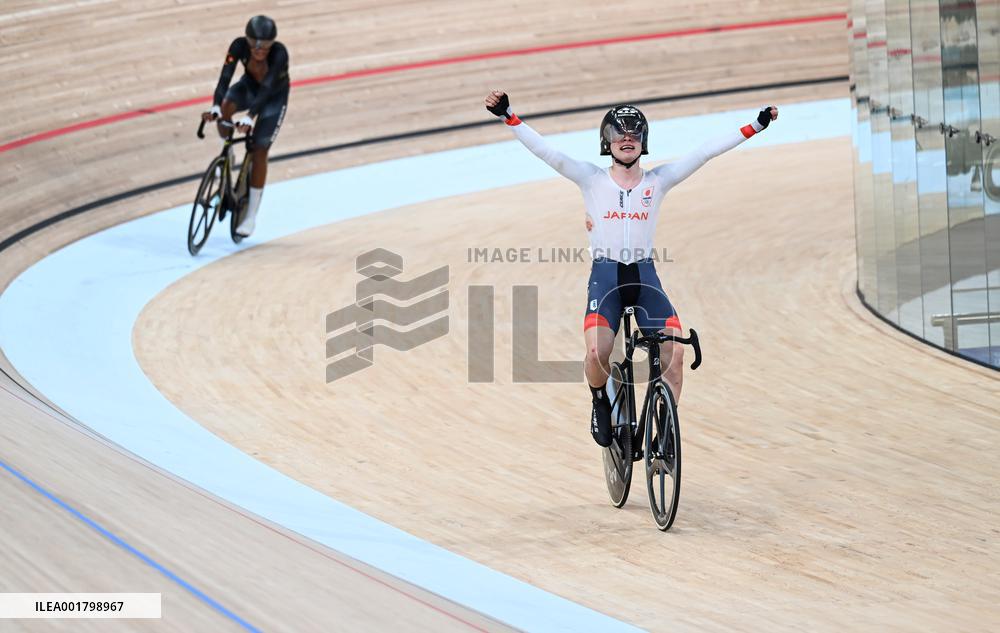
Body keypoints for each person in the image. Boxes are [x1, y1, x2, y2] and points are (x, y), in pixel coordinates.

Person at [484, 90, 777, 447]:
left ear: (644, 141)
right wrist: (509, 116)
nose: (627, 139)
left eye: (634, 133)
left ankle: (665, 432)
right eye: (618, 134)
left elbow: (705, 152)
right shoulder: (590, 178)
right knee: (596, 353)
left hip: (644, 279)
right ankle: (599, 401)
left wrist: (757, 125)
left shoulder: (658, 181)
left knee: (677, 353)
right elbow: (548, 153)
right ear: (606, 142)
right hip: (605, 279)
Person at [202, 15, 290, 237]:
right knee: (225, 107)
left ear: (273, 43)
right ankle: (227, 153)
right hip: (250, 87)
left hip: (273, 97)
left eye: (265, 46)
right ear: (247, 40)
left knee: (260, 149)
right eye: (255, 45)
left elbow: (268, 86)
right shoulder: (238, 46)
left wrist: (251, 116)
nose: (260, 50)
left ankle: (251, 215)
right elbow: (225, 77)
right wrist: (215, 107)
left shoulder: (280, 53)